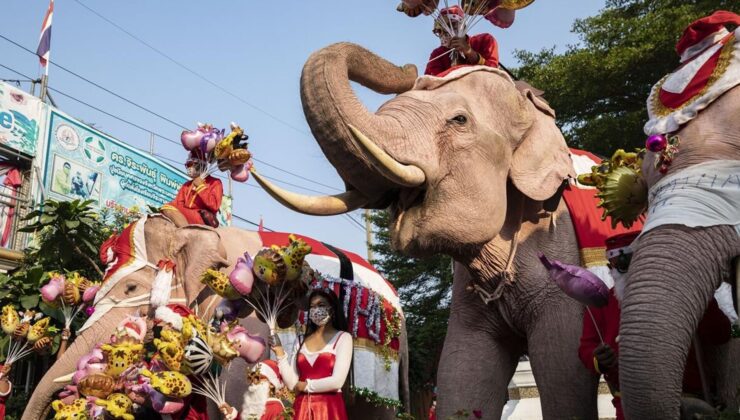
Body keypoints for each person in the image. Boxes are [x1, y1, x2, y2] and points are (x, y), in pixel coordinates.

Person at [578, 231, 732, 419]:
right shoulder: (602, 303)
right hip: (629, 404)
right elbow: (586, 348)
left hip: (688, 401)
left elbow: (720, 334)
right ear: (610, 267)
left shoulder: (683, 290)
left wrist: (702, 299)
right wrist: (599, 359)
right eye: (619, 265)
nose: (627, 271)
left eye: (634, 262)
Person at [271, 289, 353, 420]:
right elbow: (292, 383)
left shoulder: (343, 338)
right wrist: (280, 354)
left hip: (329, 409)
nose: (316, 310)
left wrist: (306, 385)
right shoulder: (300, 340)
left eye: (321, 305)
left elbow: (337, 381)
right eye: (312, 307)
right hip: (302, 408)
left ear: (332, 308)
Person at [424, 5, 499, 76]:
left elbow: (493, 72)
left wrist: (469, 52)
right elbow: (434, 82)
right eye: (439, 31)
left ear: (463, 27)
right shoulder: (437, 55)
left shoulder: (484, 40)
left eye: (451, 26)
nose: (445, 33)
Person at [161, 150, 223, 228]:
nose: (189, 168)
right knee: (165, 210)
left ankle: (186, 231)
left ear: (200, 165)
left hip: (202, 218)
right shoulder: (186, 185)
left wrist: (201, 186)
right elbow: (178, 204)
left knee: (168, 206)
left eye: (191, 164)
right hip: (186, 216)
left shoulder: (215, 182)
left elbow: (214, 206)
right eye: (187, 165)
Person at [219, 360, 286, 420]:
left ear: (271, 384)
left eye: (258, 378)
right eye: (251, 379)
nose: (254, 382)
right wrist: (233, 413)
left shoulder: (276, 408)